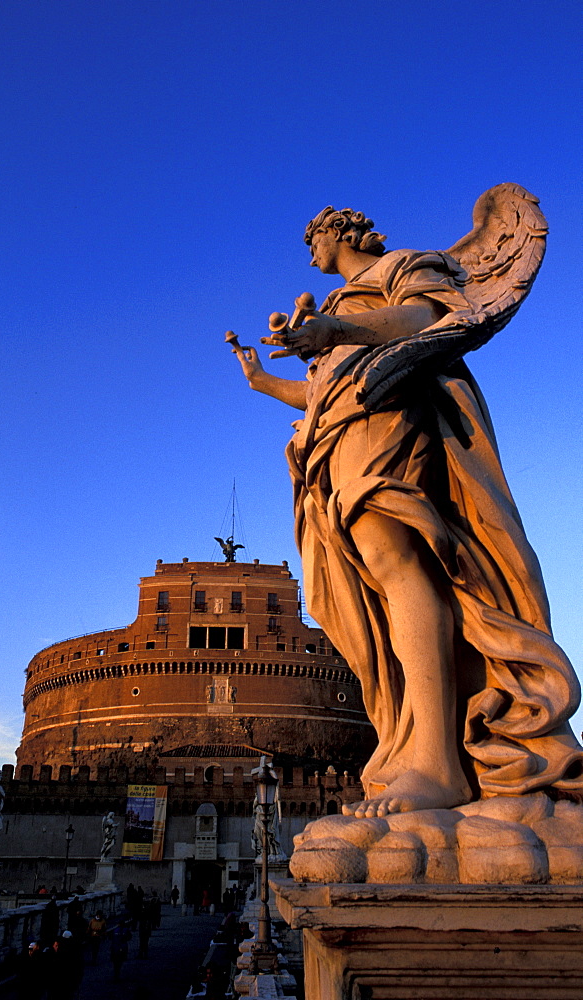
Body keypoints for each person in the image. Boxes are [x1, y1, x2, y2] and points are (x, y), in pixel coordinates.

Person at [232, 191, 583, 816]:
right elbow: (324, 388)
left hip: (385, 412)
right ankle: (414, 745)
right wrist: (266, 381)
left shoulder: (401, 266)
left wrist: (334, 329)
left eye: (312, 240)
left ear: (338, 231)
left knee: (399, 565)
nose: (310, 253)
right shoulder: (341, 302)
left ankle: (439, 764)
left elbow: (429, 321)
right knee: (376, 584)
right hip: (337, 429)